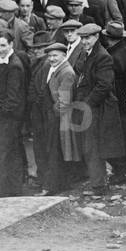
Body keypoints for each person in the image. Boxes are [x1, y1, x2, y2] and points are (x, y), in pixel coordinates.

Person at [73, 22, 125, 196]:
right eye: (82, 38)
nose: (84, 41)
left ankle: (99, 186)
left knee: (93, 146)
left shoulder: (102, 56)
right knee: (90, 146)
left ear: (96, 37)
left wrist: (87, 104)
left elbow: (104, 85)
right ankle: (99, 183)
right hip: (88, 105)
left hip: (98, 107)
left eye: (87, 38)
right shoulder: (86, 53)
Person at [36, 42, 80, 195]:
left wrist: (52, 115)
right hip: (52, 116)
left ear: (64, 55)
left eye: (55, 55)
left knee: (55, 152)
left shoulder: (66, 72)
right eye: (49, 56)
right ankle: (59, 184)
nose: (52, 59)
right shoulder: (54, 68)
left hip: (59, 118)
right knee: (54, 151)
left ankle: (51, 187)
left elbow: (64, 103)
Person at [0, 31, 26, 198]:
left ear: (11, 45)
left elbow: (13, 98)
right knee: (10, 155)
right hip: (6, 118)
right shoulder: (3, 61)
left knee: (0, 156)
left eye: (3, 45)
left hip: (6, 119)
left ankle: (0, 193)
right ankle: (11, 191)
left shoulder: (14, 66)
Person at [104, 22, 126, 185]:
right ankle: (124, 169)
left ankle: (121, 171)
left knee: (113, 137)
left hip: (114, 101)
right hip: (125, 99)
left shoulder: (111, 57)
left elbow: (112, 83)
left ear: (109, 38)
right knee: (125, 133)